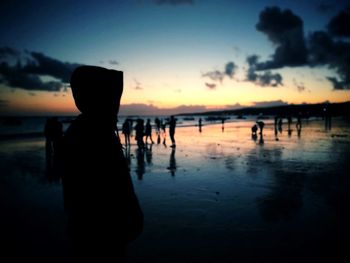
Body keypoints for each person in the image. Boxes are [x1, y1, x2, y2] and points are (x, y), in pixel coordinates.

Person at [60, 66, 143, 262]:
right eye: (112, 97)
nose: (116, 104)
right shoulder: (92, 134)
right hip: (100, 231)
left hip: (95, 229)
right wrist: (131, 214)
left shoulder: (91, 129)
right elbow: (109, 185)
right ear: (99, 98)